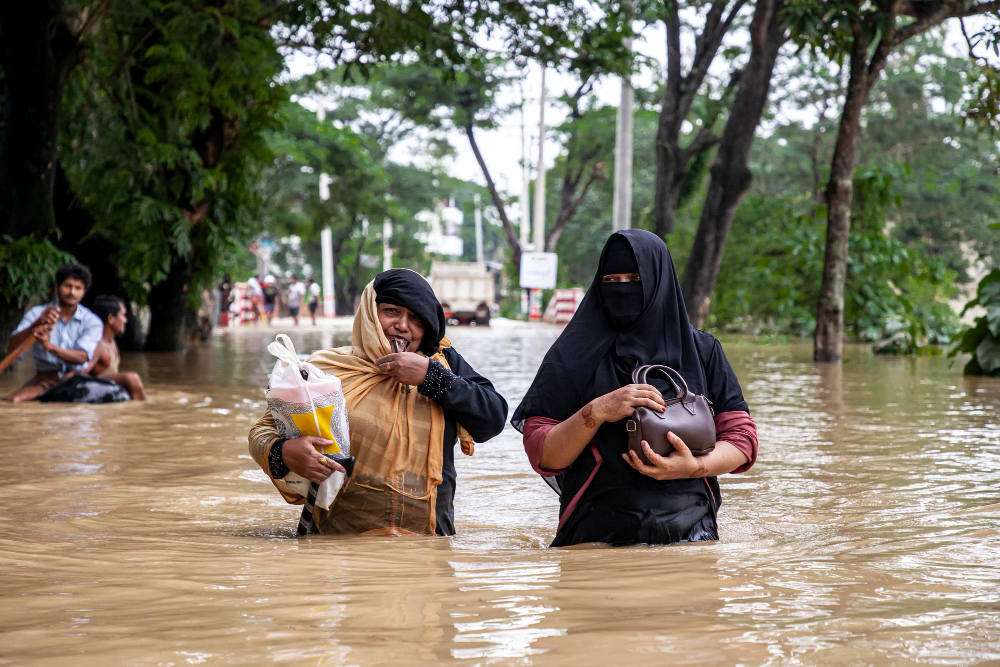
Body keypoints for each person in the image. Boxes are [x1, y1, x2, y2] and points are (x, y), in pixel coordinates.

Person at [511, 230, 758, 547]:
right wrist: (598, 411)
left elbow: (743, 441)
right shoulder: (572, 356)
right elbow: (543, 454)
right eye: (611, 280)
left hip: (694, 539)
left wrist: (693, 467)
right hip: (593, 541)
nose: (623, 289)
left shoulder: (703, 351)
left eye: (635, 278)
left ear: (659, 280)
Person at [249, 268, 508, 536]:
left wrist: (431, 377)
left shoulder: (443, 365)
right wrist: (286, 451)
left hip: (428, 550)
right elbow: (262, 432)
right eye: (391, 311)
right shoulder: (324, 371)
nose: (403, 325)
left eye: (416, 318)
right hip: (338, 553)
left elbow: (493, 418)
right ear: (370, 313)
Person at [4, 264, 104, 404]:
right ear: (57, 287)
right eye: (68, 286)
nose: (72, 292)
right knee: (12, 401)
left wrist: (49, 347)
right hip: (44, 379)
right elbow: (11, 349)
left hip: (75, 379)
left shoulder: (92, 321)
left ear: (84, 291)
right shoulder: (36, 313)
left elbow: (82, 357)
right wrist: (36, 324)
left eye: (78, 288)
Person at [83, 295, 147, 400]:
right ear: (111, 319)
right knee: (132, 378)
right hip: (100, 393)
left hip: (112, 393)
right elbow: (82, 373)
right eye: (123, 315)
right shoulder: (98, 346)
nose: (125, 320)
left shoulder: (112, 341)